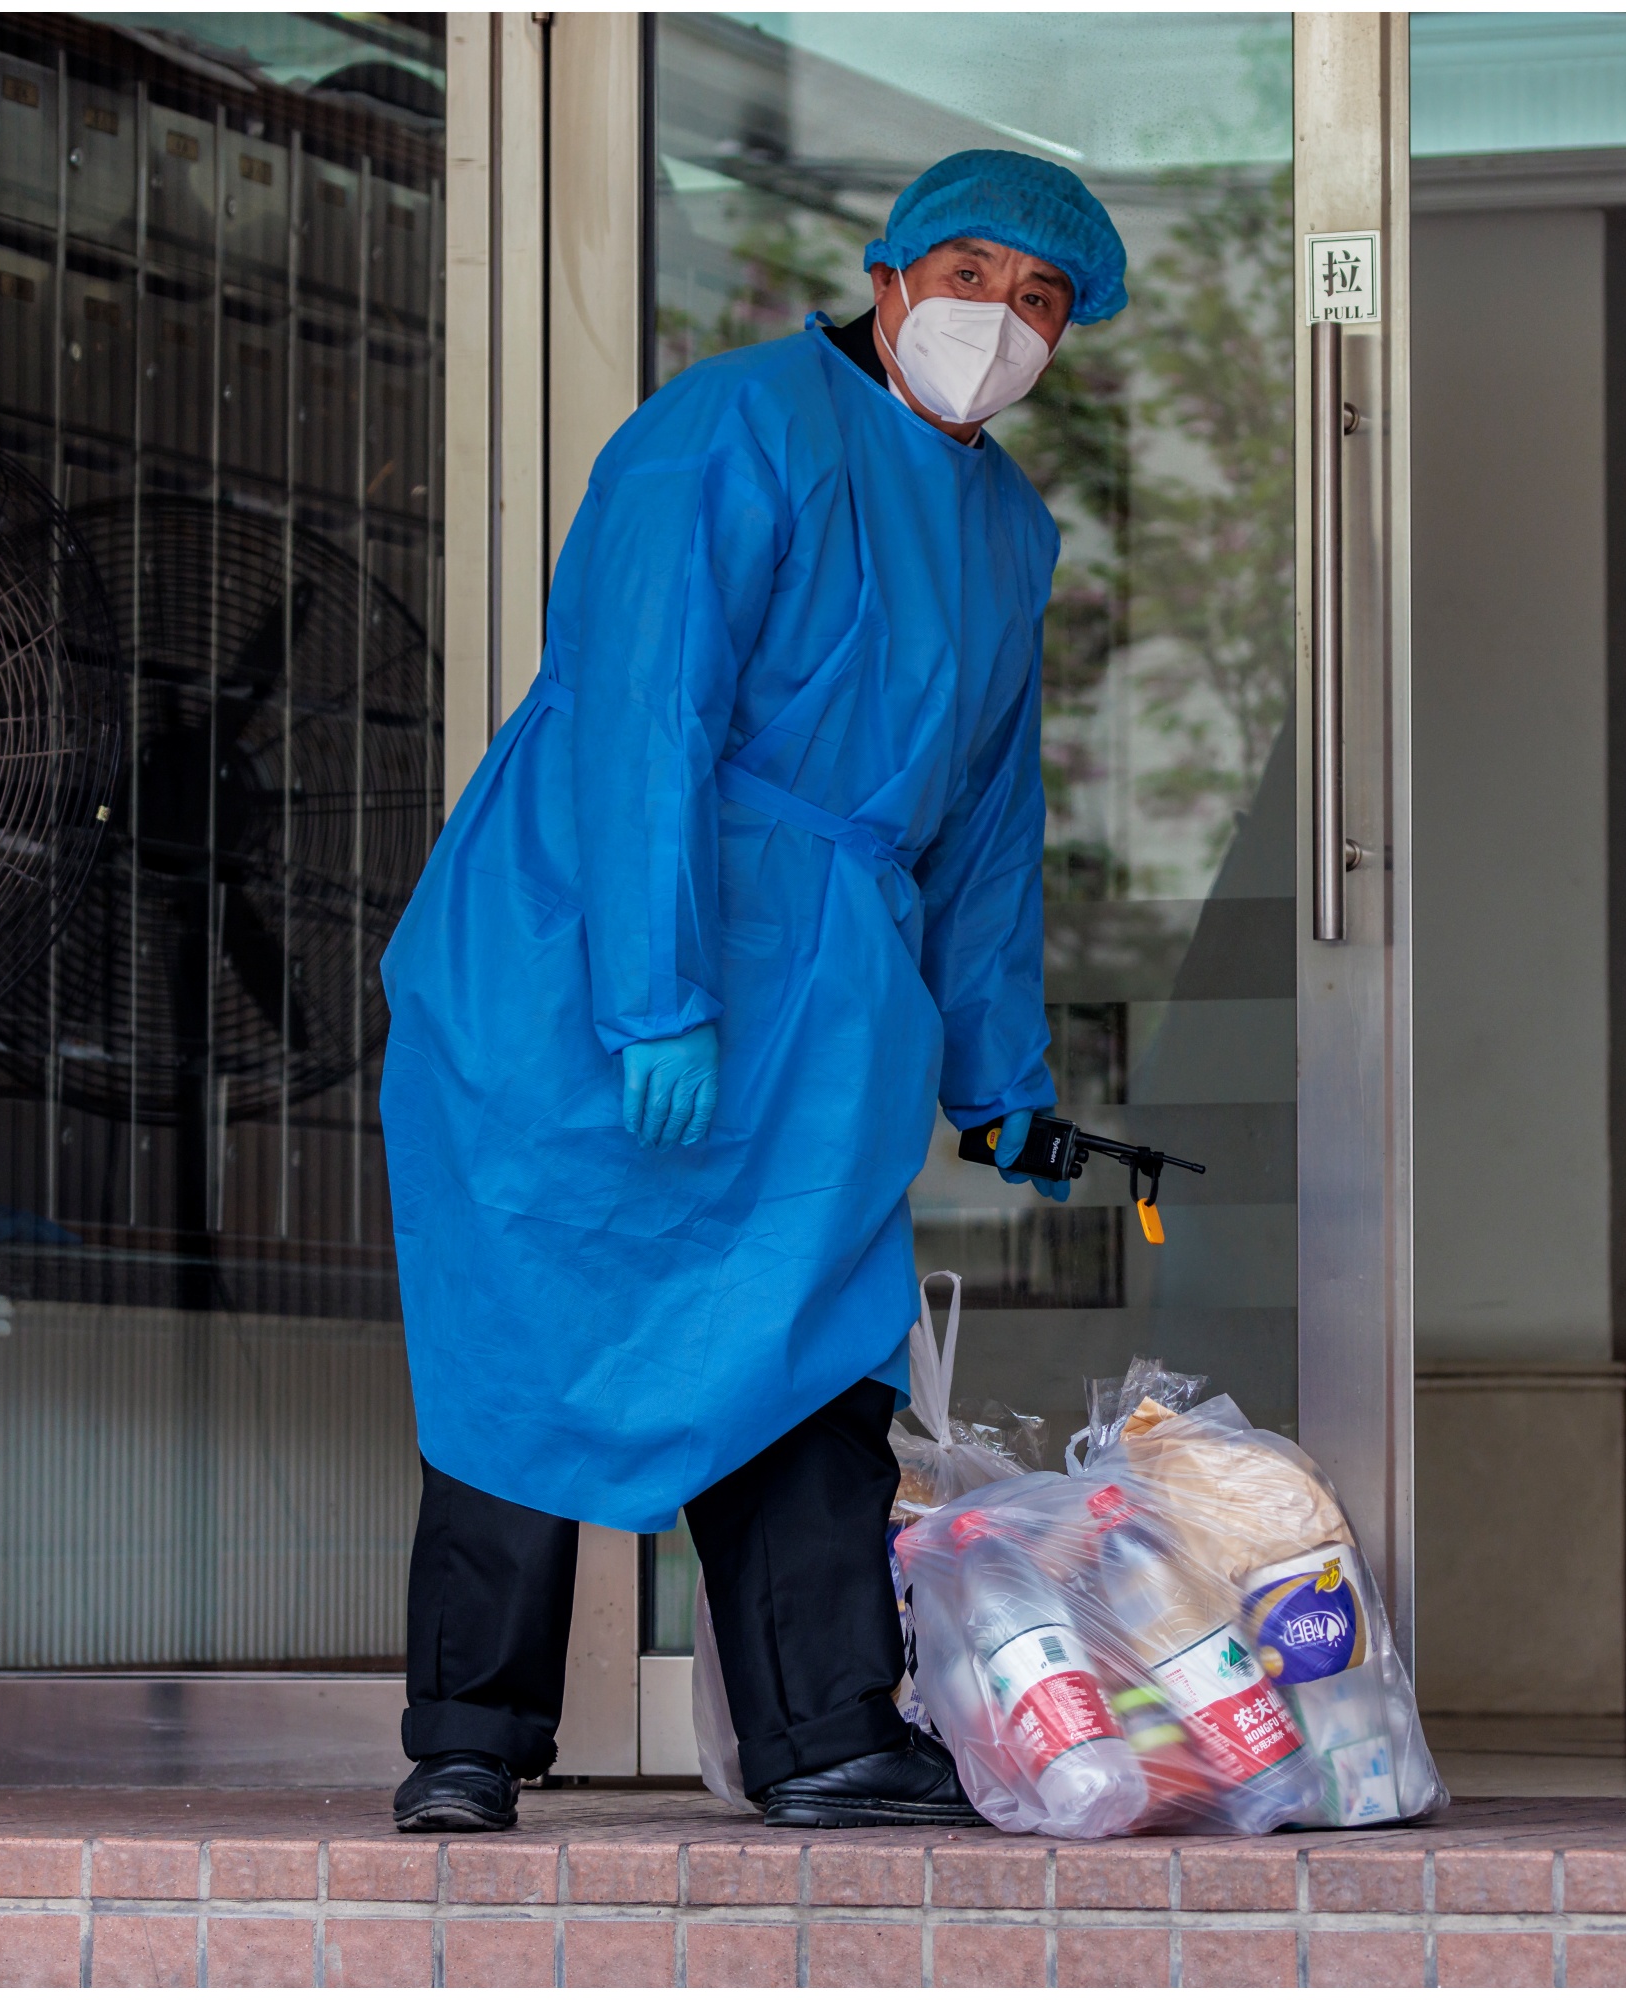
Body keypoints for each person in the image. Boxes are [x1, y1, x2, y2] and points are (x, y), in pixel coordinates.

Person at [378, 151, 1128, 1833]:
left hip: (828, 986)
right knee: (534, 1322)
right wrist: (653, 996)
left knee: (809, 1345)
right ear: (889, 271)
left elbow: (991, 819)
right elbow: (643, 711)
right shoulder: (730, 425)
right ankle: (468, 1739)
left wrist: (999, 1075)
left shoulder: (1009, 529)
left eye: (1042, 301)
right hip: (578, 942)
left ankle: (825, 1734)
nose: (1000, 321)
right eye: (972, 276)